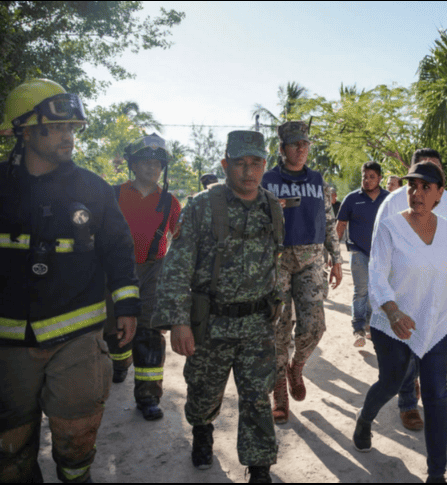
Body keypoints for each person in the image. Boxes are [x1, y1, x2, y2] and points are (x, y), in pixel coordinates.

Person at [0, 78, 140, 483]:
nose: (68, 136)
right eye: (58, 126)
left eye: (72, 128)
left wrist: (127, 307)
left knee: (77, 435)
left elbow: (118, 249)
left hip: (78, 335)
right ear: (26, 130)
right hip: (8, 344)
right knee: (9, 446)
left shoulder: (93, 188)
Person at [153, 131, 284, 482]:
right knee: (203, 393)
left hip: (257, 324)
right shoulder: (201, 206)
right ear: (225, 164)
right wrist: (179, 322)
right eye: (239, 163)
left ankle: (259, 468)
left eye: (255, 163)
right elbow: (176, 265)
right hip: (210, 324)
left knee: (258, 398)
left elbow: (276, 262)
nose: (247, 171)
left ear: (264, 165)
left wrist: (279, 308)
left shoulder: (272, 207)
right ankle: (202, 430)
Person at [353, 161, 447, 484]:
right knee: (392, 382)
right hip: (392, 323)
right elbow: (377, 274)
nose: (417, 193)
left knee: (436, 394)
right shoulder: (390, 226)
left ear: (439, 194)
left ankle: (437, 474)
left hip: (434, 323)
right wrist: (392, 312)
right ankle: (365, 420)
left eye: (425, 187)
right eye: (412, 186)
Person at [372, 148, 447, 432]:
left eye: (435, 168)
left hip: (439, 293)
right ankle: (407, 403)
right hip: (404, 293)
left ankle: (425, 388)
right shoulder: (393, 203)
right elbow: (377, 257)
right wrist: (386, 303)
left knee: (433, 345)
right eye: (423, 167)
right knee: (406, 351)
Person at [261, 120, 342, 424]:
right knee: (278, 328)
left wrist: (336, 258)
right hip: (277, 260)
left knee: (314, 326)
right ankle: (280, 388)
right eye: (295, 144)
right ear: (282, 149)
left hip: (310, 259)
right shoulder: (267, 180)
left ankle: (297, 366)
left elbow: (328, 218)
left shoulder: (317, 179)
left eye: (305, 144)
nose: (301, 149)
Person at [103, 133, 181, 422]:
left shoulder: (171, 202)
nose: (152, 167)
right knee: (114, 329)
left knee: (149, 332)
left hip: (153, 272)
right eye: (146, 162)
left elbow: (181, 239)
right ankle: (120, 362)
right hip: (115, 271)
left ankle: (148, 396)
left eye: (158, 163)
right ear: (132, 165)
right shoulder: (112, 195)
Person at [335, 161, 389, 347]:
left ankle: (370, 324)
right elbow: (340, 226)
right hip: (358, 251)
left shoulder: (388, 199)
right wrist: (333, 254)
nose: (367, 180)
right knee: (361, 290)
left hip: (382, 254)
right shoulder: (352, 199)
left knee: (375, 291)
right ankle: (358, 327)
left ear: (380, 178)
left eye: (371, 177)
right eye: (364, 177)